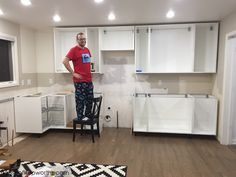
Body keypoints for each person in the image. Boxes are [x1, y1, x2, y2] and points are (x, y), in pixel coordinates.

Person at [63, 32, 94, 120]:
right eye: (81, 39)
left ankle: (88, 114)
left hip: (88, 80)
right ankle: (81, 116)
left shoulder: (87, 50)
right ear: (77, 40)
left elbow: (87, 63)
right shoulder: (73, 50)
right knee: (80, 100)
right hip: (79, 81)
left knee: (89, 99)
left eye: (84, 39)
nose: (83, 41)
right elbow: (65, 61)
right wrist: (73, 73)